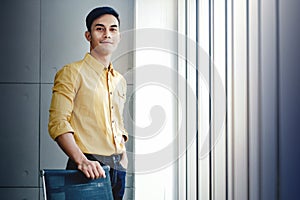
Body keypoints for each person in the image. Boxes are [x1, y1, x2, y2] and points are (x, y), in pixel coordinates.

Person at [48, 6, 128, 200]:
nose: (107, 34)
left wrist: (123, 156)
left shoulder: (120, 80)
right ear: (88, 35)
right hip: (87, 167)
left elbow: (117, 123)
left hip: (118, 170)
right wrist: (82, 161)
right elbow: (58, 123)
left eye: (113, 29)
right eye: (99, 29)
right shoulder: (71, 73)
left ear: (119, 36)